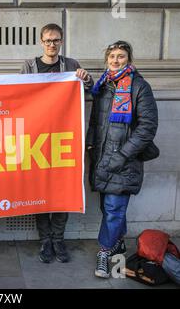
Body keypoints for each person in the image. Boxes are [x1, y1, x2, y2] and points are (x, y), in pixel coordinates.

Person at [21, 23, 93, 264]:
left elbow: (91, 90)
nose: (52, 44)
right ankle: (46, 241)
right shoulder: (29, 66)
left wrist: (86, 78)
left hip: (64, 138)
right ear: (41, 42)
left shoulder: (71, 65)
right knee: (40, 192)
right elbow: (18, 97)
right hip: (37, 139)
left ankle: (58, 240)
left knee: (62, 191)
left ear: (61, 42)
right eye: (48, 40)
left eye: (56, 40)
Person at [87, 41, 158, 278]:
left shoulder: (139, 86)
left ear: (129, 59)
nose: (116, 60)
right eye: (112, 56)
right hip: (101, 157)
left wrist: (123, 154)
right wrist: (90, 143)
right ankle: (118, 243)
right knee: (108, 209)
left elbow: (147, 127)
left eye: (121, 56)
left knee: (114, 209)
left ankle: (105, 253)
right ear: (107, 59)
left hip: (124, 161)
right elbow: (96, 121)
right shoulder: (103, 85)